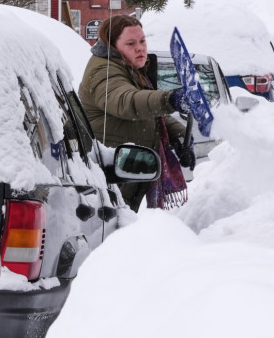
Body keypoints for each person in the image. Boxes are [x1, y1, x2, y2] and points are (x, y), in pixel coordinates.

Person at [78, 14, 193, 211]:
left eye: (142, 41)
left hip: (124, 173)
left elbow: (150, 115)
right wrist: (169, 100)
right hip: (107, 182)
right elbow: (126, 101)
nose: (140, 48)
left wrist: (179, 136)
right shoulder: (104, 71)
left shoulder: (129, 67)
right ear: (113, 46)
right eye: (131, 43)